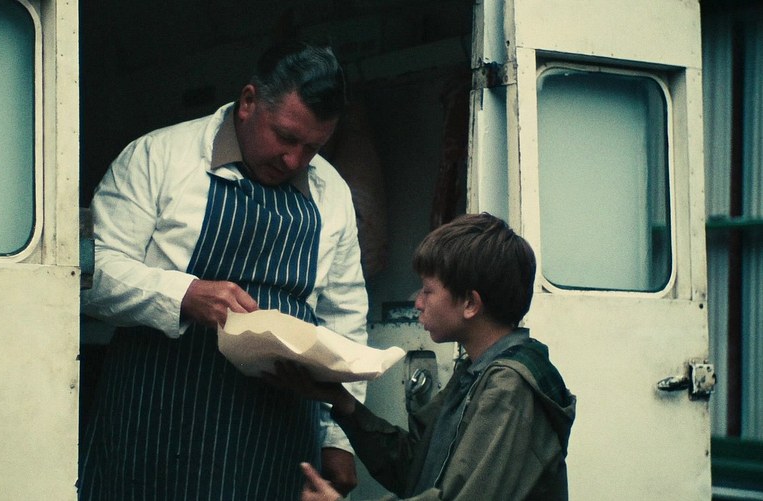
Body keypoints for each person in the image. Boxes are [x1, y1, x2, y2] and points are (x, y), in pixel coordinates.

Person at [78, 40, 368, 500]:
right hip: (157, 420)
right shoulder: (159, 156)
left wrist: (338, 437)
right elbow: (90, 275)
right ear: (249, 101)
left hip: (276, 436)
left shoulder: (331, 191)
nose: (294, 160)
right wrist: (184, 295)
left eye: (313, 147)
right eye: (285, 137)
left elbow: (343, 318)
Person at [269, 212, 577, 500]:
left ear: (470, 304)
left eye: (428, 291)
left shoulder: (509, 387)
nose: (418, 303)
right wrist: (343, 403)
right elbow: (414, 468)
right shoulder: (476, 371)